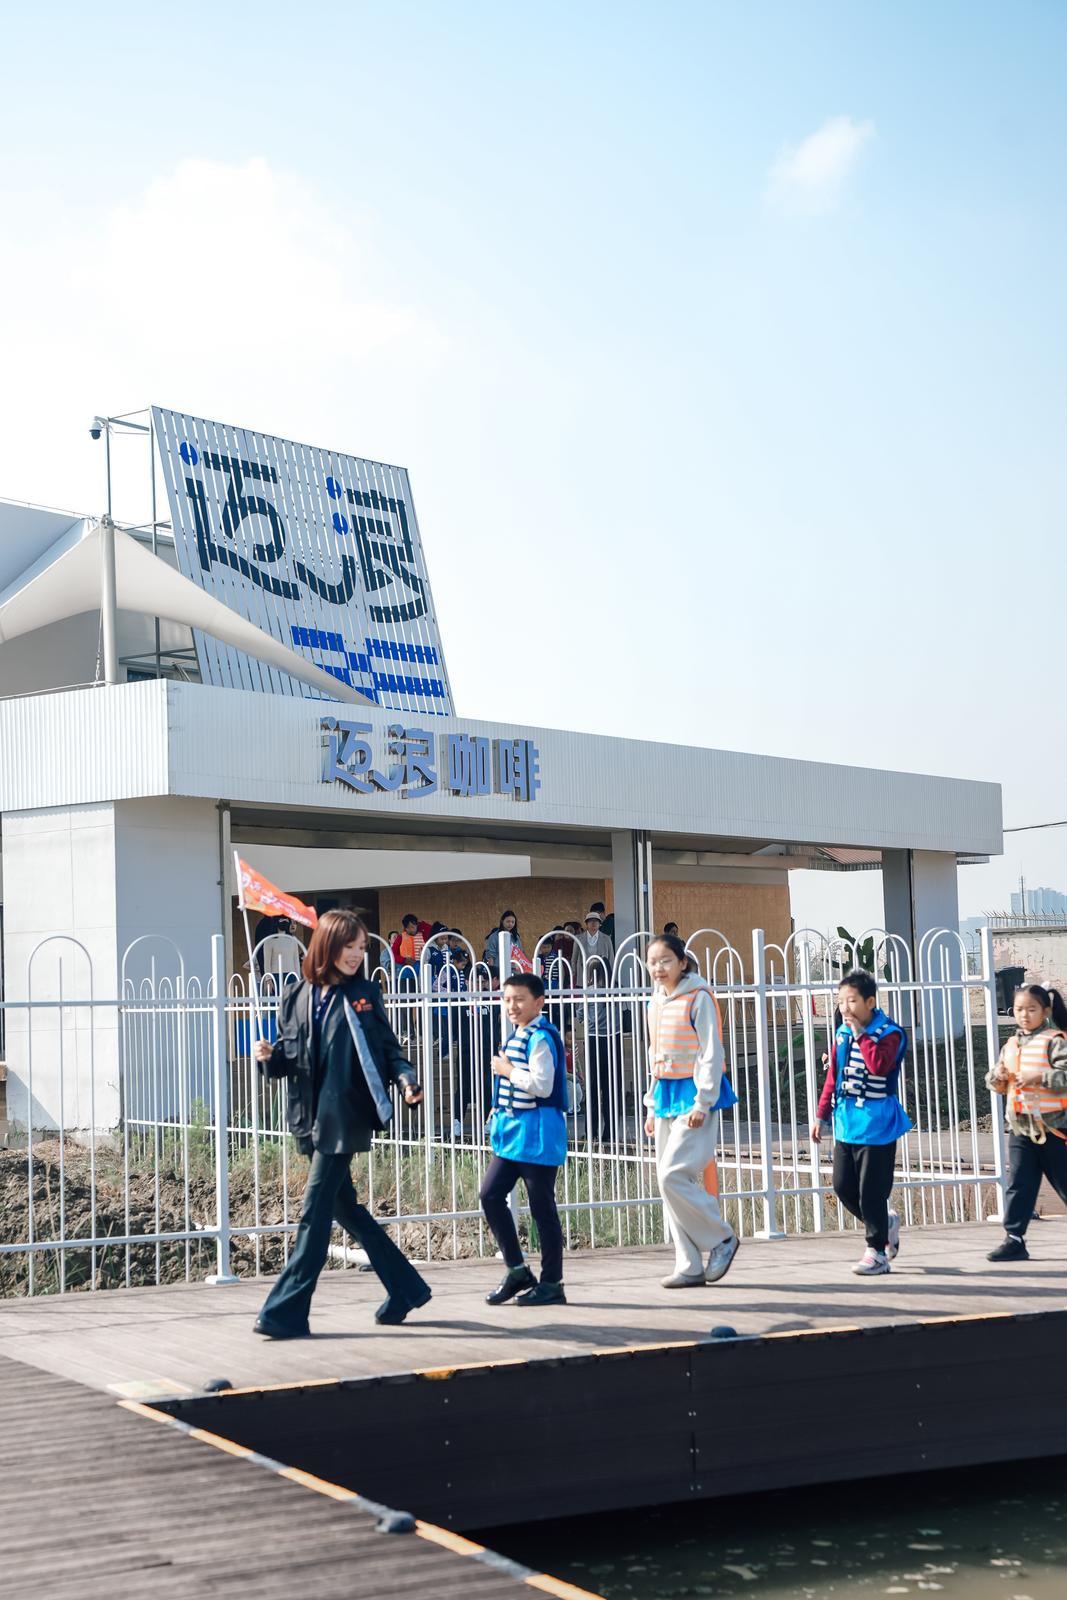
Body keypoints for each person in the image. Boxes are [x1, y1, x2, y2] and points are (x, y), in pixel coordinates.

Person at [252, 908, 431, 1337]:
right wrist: (269, 1058)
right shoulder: (294, 996)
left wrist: (407, 1081)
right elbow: (290, 1059)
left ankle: (285, 1312)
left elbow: (388, 1049)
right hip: (307, 1121)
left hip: (345, 1118)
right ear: (327, 945)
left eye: (361, 947)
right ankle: (406, 1289)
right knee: (345, 1209)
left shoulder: (364, 994)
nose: (356, 955)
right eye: (349, 946)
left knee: (314, 1215)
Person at [642, 933, 740, 1287]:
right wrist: (650, 1105)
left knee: (672, 1175)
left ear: (682, 962)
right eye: (652, 962)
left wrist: (703, 1100)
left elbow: (711, 1052)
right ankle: (688, 1264)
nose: (658, 968)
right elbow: (655, 1054)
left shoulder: (699, 996)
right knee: (666, 1181)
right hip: (665, 1094)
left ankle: (722, 1237)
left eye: (666, 960)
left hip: (694, 1093)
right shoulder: (655, 1001)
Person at [811, 970, 910, 1276]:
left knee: (872, 1191)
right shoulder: (842, 1033)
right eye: (841, 1001)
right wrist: (821, 1115)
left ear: (870, 1002)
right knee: (843, 1186)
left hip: (877, 1124)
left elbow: (879, 1066)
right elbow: (833, 1076)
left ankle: (876, 1252)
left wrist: (860, 1035)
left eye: (851, 1001)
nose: (845, 1007)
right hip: (846, 1122)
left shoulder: (890, 1033)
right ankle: (884, 1223)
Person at [480, 973, 569, 1306]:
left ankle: (552, 1283)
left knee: (542, 1209)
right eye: (507, 999)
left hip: (538, 1134)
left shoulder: (541, 1037)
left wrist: (507, 1071)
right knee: (490, 1195)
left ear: (539, 1002)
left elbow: (542, 1086)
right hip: (513, 1134)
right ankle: (516, 1269)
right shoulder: (518, 1034)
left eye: (519, 999)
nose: (512, 1006)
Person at [985, 982, 1067, 1262]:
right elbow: (996, 1082)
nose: (1024, 1014)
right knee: (1019, 1185)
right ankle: (1014, 1239)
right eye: (1019, 1009)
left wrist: (1039, 1077)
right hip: (1021, 1129)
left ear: (1045, 1012)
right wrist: (998, 1078)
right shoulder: (1011, 1045)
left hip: (1054, 1129)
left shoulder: (1055, 1041)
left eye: (1031, 1009)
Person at [575, 909, 619, 1142]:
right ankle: (605, 1132)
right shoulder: (614, 990)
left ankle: (594, 1132)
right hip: (610, 1038)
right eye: (590, 922)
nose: (593, 924)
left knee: (594, 1086)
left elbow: (580, 1014)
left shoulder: (591, 991)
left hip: (596, 1038)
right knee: (607, 1086)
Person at [483, 909, 523, 980]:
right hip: (498, 970)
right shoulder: (494, 937)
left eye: (513, 922)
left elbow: (520, 954)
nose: (510, 924)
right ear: (502, 921)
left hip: (514, 971)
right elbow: (491, 957)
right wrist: (492, 973)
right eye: (508, 921)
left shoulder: (516, 937)